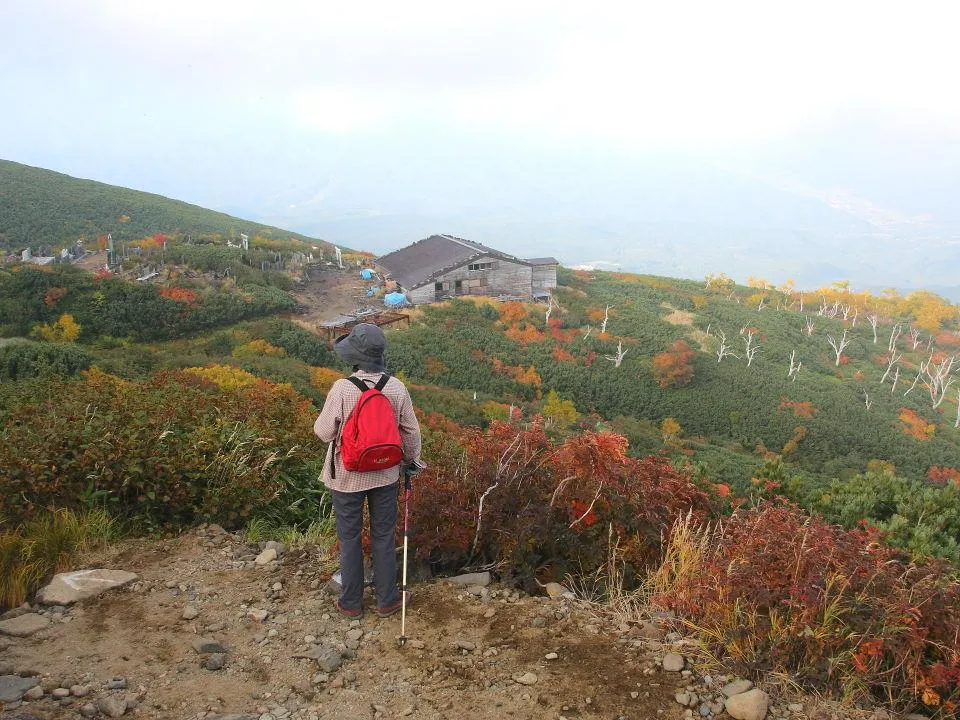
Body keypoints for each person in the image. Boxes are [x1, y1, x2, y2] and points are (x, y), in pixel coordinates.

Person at [314, 323, 423, 618]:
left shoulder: (342, 388)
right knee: (383, 535)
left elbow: (324, 433)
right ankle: (387, 600)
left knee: (349, 538)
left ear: (355, 356)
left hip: (347, 476)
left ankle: (351, 603)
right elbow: (411, 433)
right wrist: (411, 462)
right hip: (386, 474)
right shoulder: (396, 388)